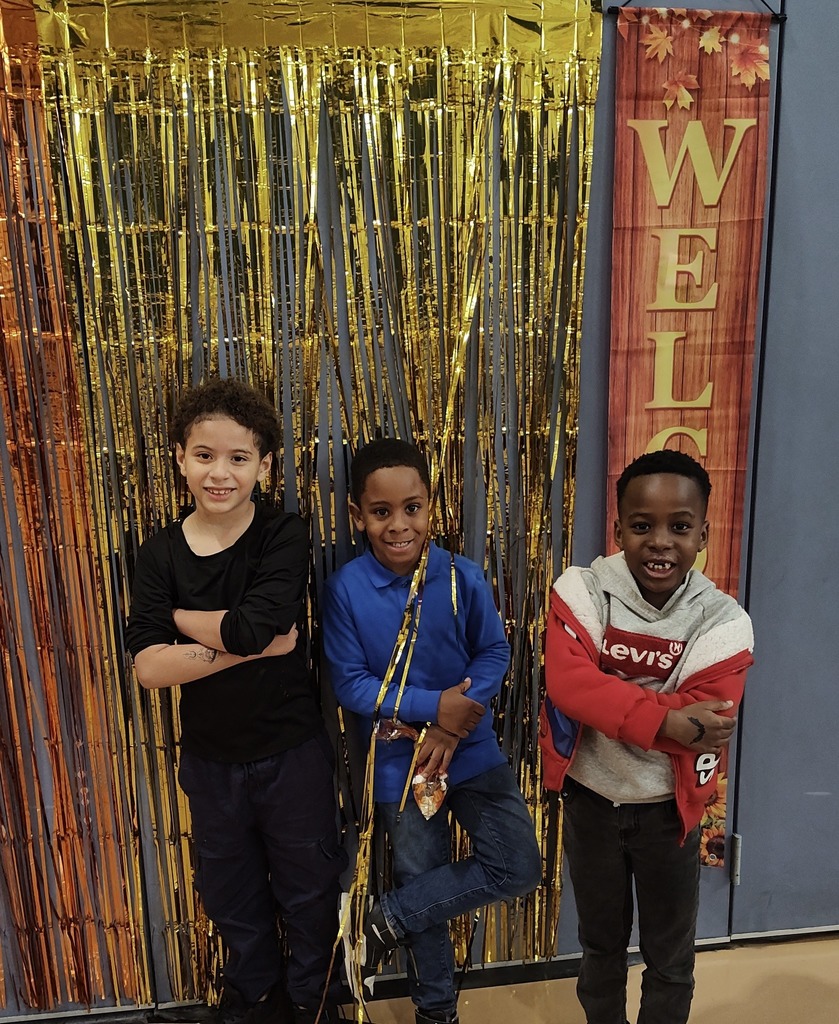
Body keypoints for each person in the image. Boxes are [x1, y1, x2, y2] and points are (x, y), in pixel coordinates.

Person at [126, 378, 346, 1024]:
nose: (219, 473)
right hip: (210, 761)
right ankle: (254, 1000)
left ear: (265, 465)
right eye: (204, 455)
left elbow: (255, 627)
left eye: (238, 458)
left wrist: (178, 621)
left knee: (309, 892)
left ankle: (312, 1003)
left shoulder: (283, 534)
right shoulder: (159, 553)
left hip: (291, 753)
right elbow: (148, 667)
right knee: (230, 895)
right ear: (179, 458)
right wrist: (250, 646)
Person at [321, 437, 542, 1024]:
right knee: (425, 881)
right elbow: (352, 685)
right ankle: (436, 1012)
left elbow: (494, 652)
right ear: (358, 515)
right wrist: (434, 710)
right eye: (381, 512)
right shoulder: (346, 589)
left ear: (430, 506)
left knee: (518, 866)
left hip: (471, 752)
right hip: (401, 766)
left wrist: (451, 725)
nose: (399, 525)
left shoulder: (461, 576)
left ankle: (386, 919)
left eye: (412, 508)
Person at [539, 449, 754, 1024]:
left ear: (703, 534)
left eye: (680, 527)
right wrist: (668, 718)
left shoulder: (724, 619)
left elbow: (709, 721)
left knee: (670, 957)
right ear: (618, 530)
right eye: (642, 526)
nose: (660, 542)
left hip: (668, 815)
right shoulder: (583, 589)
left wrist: (610, 695)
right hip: (591, 803)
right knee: (600, 948)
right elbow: (569, 685)